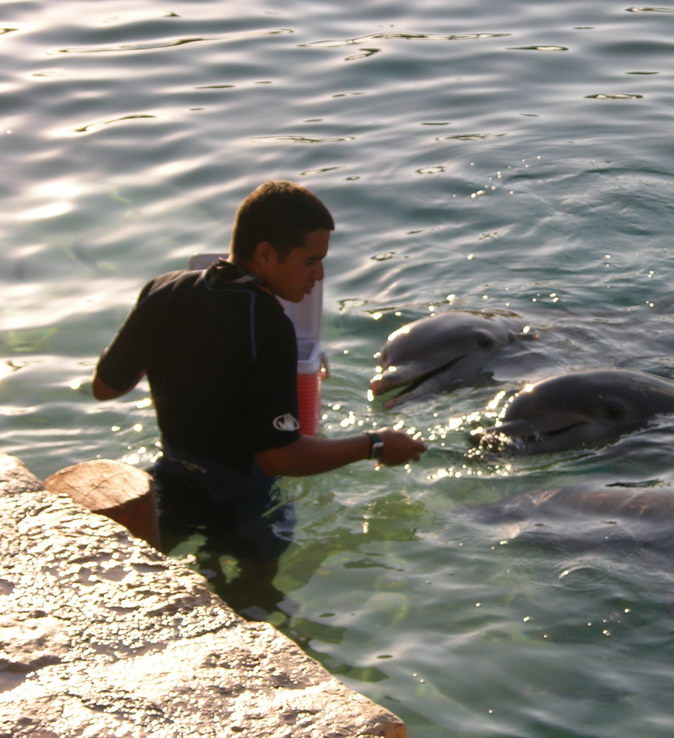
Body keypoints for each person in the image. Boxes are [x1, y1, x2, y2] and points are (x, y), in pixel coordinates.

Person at [93, 180, 426, 594]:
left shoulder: (163, 289)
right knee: (256, 603)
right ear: (266, 255)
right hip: (242, 503)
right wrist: (375, 444)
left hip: (170, 484)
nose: (319, 275)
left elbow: (105, 388)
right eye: (310, 261)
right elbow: (276, 456)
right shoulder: (268, 324)